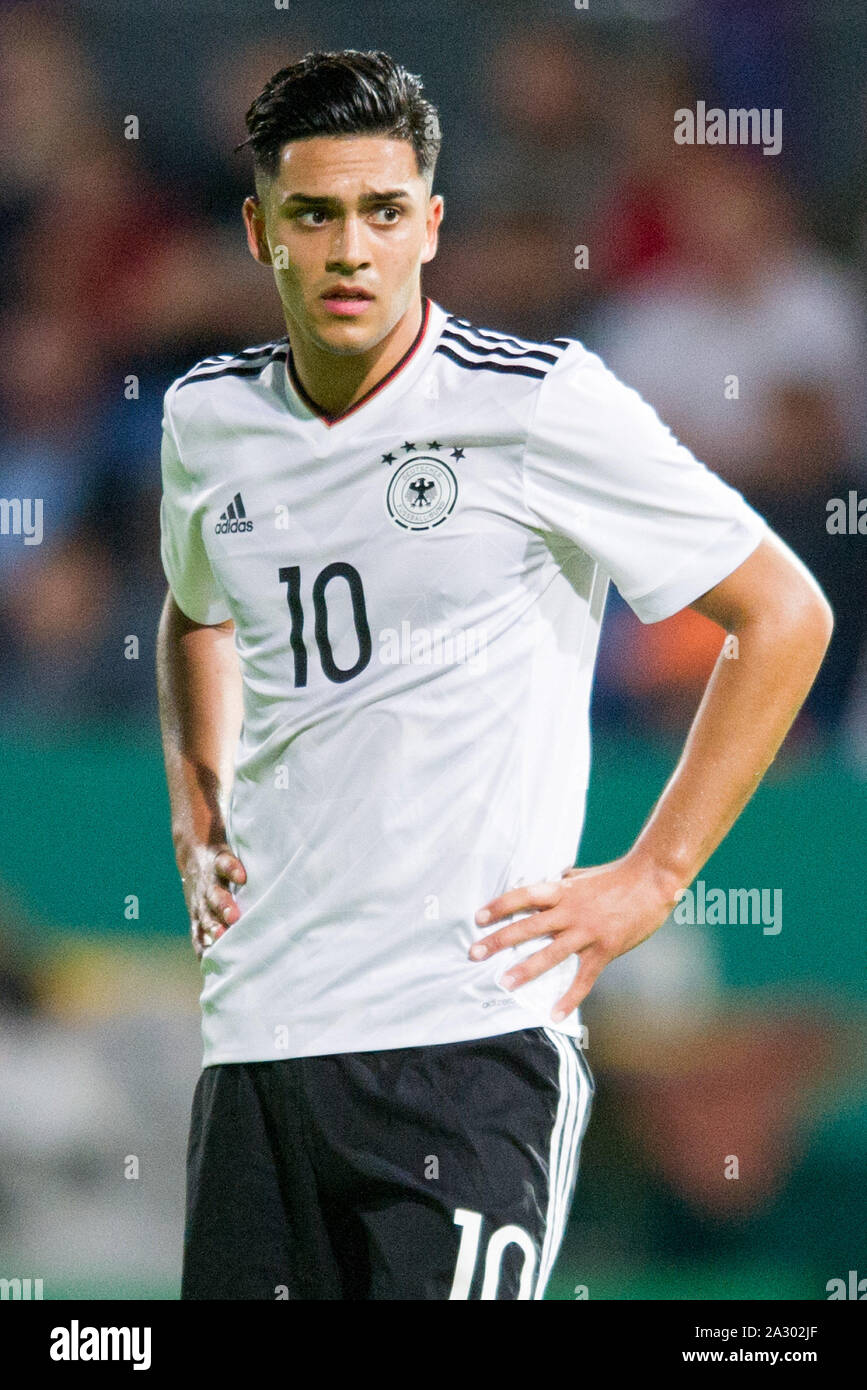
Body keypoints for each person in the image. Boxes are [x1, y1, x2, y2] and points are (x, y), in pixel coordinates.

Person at [155, 49, 833, 1301]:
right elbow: (195, 614)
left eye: (383, 211)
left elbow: (785, 614)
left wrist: (654, 876)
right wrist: (197, 803)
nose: (351, 248)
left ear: (432, 224)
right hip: (259, 1043)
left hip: (468, 1040)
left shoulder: (539, 408)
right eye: (314, 214)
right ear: (260, 232)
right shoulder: (207, 420)